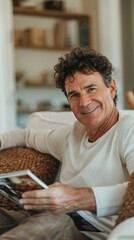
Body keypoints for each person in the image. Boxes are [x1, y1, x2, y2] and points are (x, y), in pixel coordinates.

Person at [0, 47, 134, 240]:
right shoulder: (71, 135)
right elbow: (26, 136)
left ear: (111, 88)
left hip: (88, 235)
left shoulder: (129, 130)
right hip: (40, 220)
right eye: (74, 95)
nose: (84, 102)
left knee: (55, 221)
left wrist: (78, 199)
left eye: (91, 89)